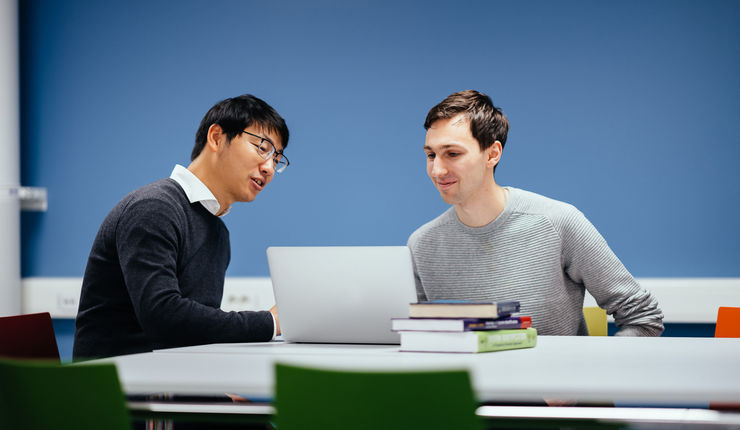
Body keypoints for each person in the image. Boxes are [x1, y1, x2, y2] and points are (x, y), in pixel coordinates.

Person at [408, 90, 664, 336]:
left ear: (493, 154)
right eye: (431, 155)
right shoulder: (421, 245)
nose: (437, 170)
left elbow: (644, 318)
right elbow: (417, 336)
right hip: (466, 380)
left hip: (555, 380)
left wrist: (593, 367)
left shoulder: (559, 222)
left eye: (452, 153)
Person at [73, 94, 289, 359]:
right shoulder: (154, 208)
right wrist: (270, 322)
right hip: (115, 391)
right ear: (217, 137)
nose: (269, 167)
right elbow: (164, 317)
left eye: (277, 159)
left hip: (171, 384)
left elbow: (191, 336)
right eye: (262, 148)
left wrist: (212, 393)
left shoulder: (218, 232)